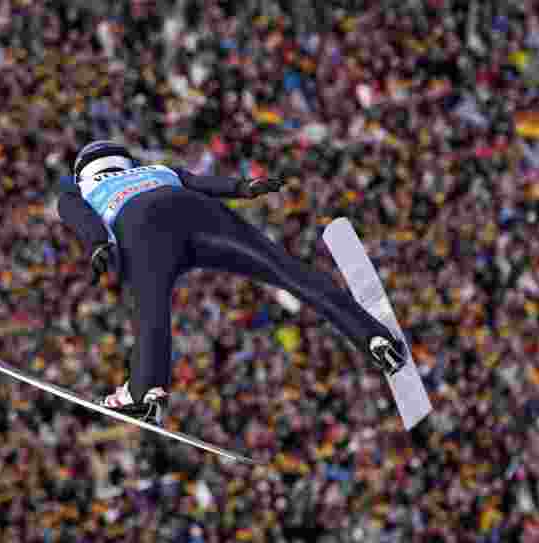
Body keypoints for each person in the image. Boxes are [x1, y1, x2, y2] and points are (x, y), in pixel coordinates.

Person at [56, 140, 407, 426]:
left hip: (142, 230)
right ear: (126, 161)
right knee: (283, 269)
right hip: (198, 211)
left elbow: (80, 217)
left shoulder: (78, 188)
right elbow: (203, 183)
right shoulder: (158, 169)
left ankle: (145, 392)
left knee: (152, 310)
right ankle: (373, 336)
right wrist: (243, 187)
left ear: (82, 170)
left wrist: (98, 245)